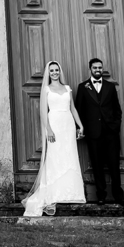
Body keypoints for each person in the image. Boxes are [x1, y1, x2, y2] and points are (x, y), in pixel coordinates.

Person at [22, 60, 86, 216]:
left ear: (60, 71)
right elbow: (43, 112)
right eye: (52, 71)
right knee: (55, 157)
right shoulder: (46, 89)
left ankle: (72, 193)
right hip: (54, 125)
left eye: (57, 70)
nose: (55, 73)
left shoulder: (67, 88)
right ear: (48, 73)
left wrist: (80, 125)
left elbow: (73, 109)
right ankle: (54, 193)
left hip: (68, 125)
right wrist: (48, 129)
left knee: (69, 155)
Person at [75, 57, 124, 205]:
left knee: (113, 165)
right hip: (93, 133)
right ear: (90, 69)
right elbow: (79, 110)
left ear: (102, 69)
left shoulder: (110, 87)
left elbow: (117, 109)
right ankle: (101, 196)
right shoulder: (82, 87)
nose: (98, 70)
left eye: (100, 68)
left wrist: (115, 126)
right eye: (95, 68)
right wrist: (82, 128)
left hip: (111, 133)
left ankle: (119, 195)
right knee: (97, 166)